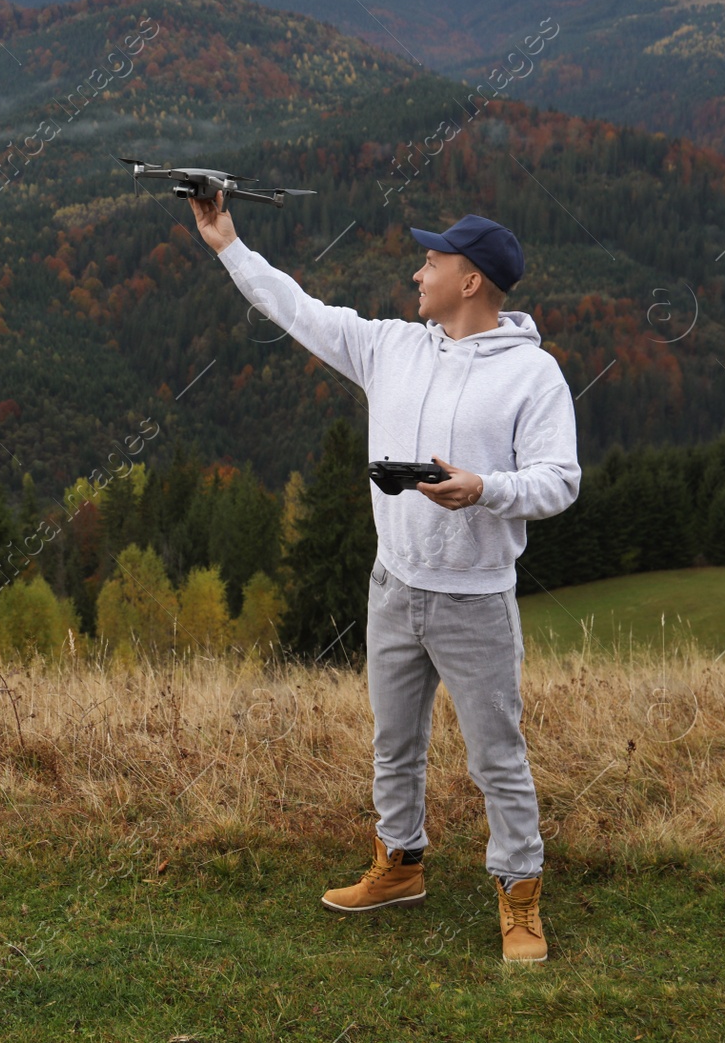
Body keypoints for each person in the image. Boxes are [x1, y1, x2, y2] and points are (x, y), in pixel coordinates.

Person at [188, 194, 580, 964]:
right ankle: (400, 865)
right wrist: (226, 242)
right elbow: (296, 309)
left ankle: (521, 894)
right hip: (393, 587)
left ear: (469, 280)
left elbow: (560, 480)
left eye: (432, 262)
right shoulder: (391, 346)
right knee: (393, 743)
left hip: (475, 601)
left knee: (496, 756)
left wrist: (484, 489)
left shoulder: (534, 376)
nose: (417, 270)